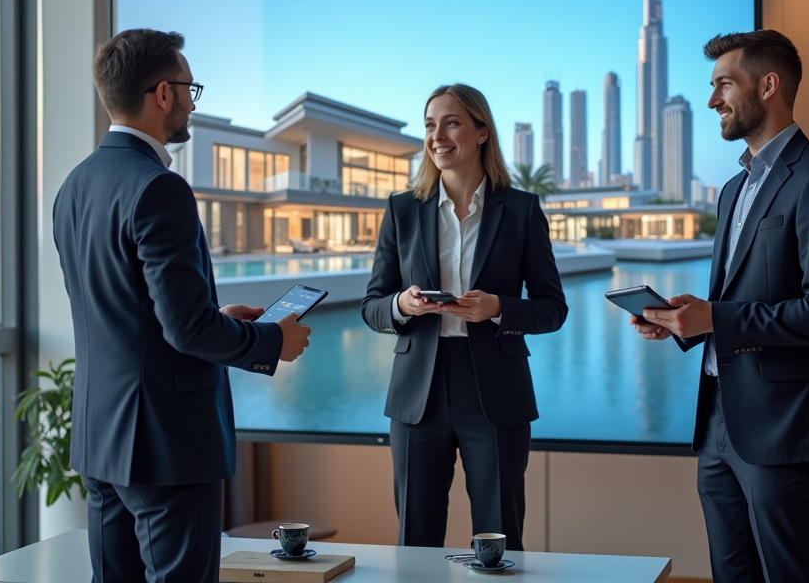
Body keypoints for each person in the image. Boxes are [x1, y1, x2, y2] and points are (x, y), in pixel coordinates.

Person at [53, 29, 312, 583]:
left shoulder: (74, 186)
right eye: (190, 88)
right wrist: (273, 341)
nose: (194, 100)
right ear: (162, 94)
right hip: (167, 445)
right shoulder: (158, 187)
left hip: (102, 438)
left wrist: (222, 319)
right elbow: (186, 332)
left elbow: (125, 312)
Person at [631, 29, 809, 583]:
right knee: (731, 575)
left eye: (723, 85)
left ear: (768, 85)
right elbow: (736, 300)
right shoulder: (733, 190)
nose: (713, 100)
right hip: (718, 419)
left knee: (791, 574)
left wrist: (717, 317)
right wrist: (686, 321)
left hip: (783, 428)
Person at [362, 83, 567, 549]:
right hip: (418, 395)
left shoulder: (521, 209)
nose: (438, 135)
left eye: (451, 122)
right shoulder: (401, 210)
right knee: (415, 538)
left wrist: (498, 309)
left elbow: (553, 308)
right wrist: (402, 305)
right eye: (430, 125)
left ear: (481, 132)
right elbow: (372, 305)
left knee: (499, 539)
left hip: (495, 390)